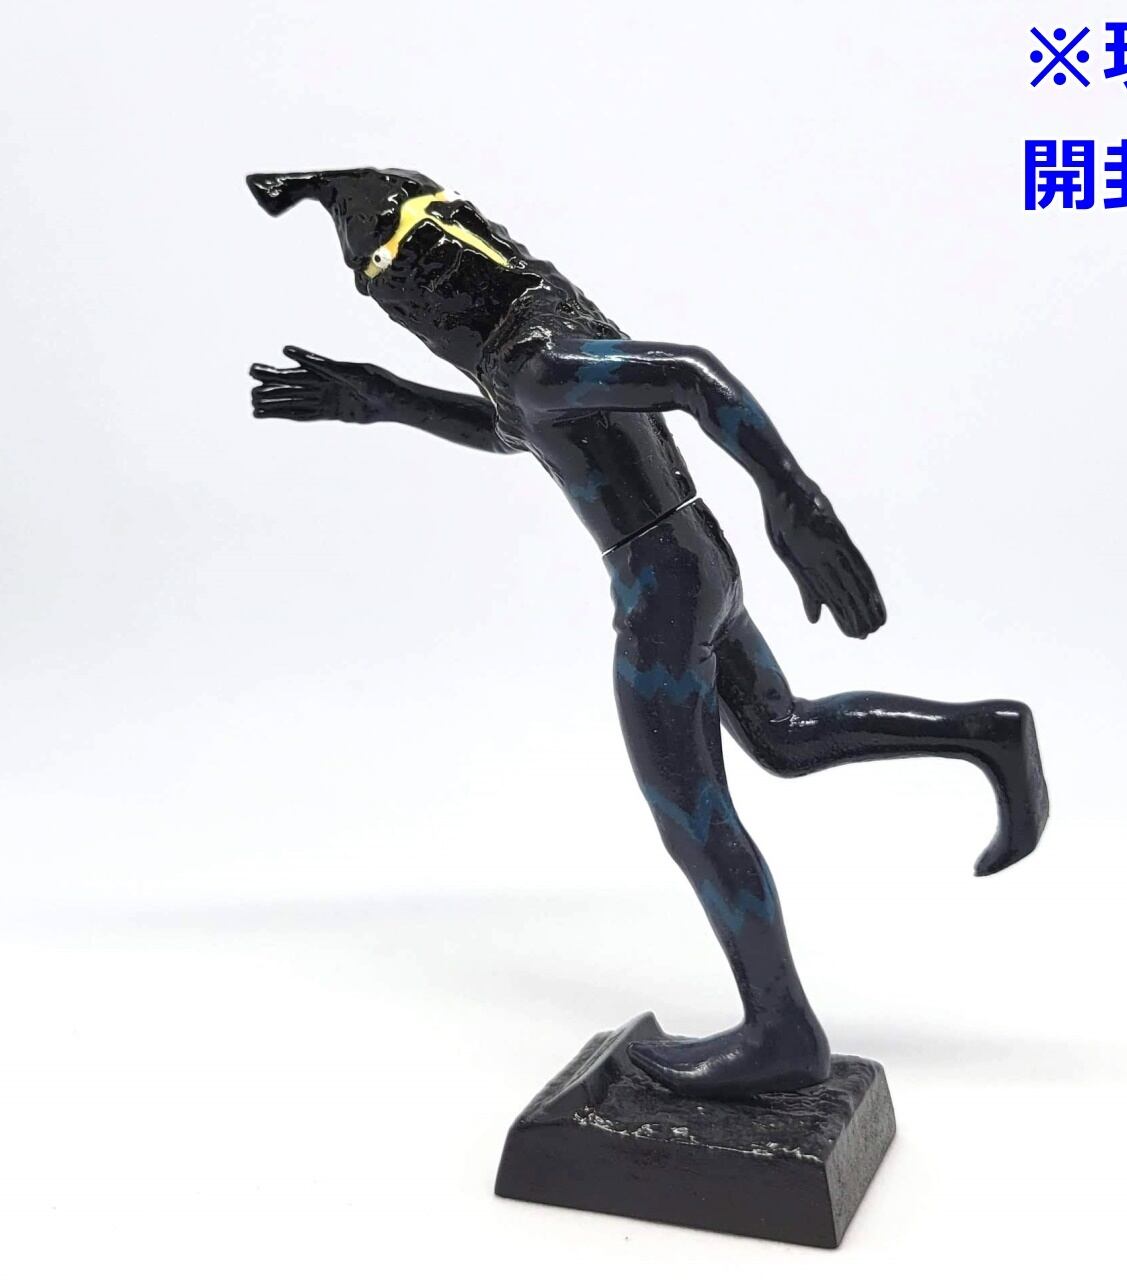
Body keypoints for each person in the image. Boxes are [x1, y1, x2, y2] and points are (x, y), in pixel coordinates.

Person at [247, 168, 1050, 1098]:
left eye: (402, 306)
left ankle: (782, 1031)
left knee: (694, 820)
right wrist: (382, 398)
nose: (410, 326)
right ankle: (986, 733)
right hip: (695, 562)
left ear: (441, 289)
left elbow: (692, 376)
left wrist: (797, 502)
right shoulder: (533, 356)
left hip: (662, 587)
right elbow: (515, 431)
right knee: (785, 736)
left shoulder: (539, 361)